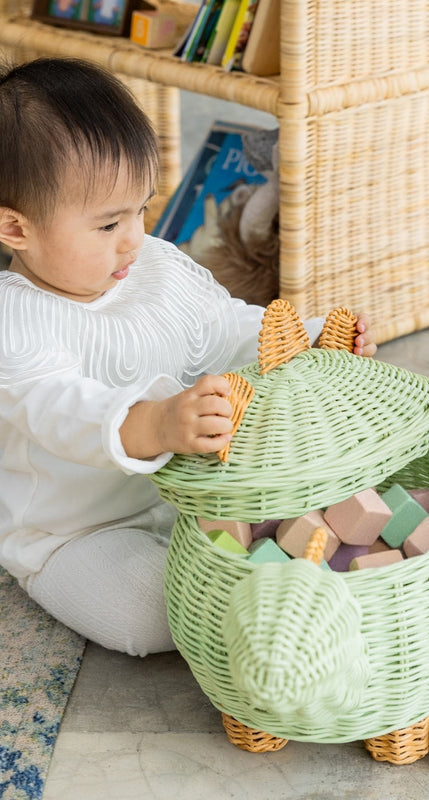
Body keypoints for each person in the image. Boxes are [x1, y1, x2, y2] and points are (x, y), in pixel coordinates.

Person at [0, 57, 377, 657]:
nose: (134, 237)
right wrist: (156, 422)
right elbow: (63, 411)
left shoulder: (152, 263)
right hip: (78, 532)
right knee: (151, 614)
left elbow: (223, 326)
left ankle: (282, 593)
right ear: (16, 230)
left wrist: (305, 337)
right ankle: (251, 609)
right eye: (107, 225)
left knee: (292, 519)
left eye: (141, 209)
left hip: (188, 494)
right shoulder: (15, 321)